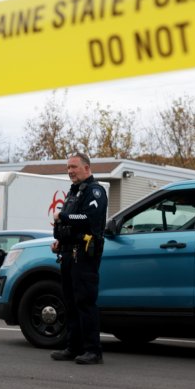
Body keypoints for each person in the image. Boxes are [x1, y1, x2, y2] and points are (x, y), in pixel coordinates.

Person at [50, 152, 108, 365]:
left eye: (74, 167)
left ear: (86, 167)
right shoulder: (74, 192)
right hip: (68, 252)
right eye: (68, 167)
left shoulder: (95, 191)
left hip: (85, 254)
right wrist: (60, 241)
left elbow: (87, 218)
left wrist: (62, 216)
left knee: (85, 301)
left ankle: (93, 350)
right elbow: (68, 224)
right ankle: (73, 347)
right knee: (71, 302)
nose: (70, 171)